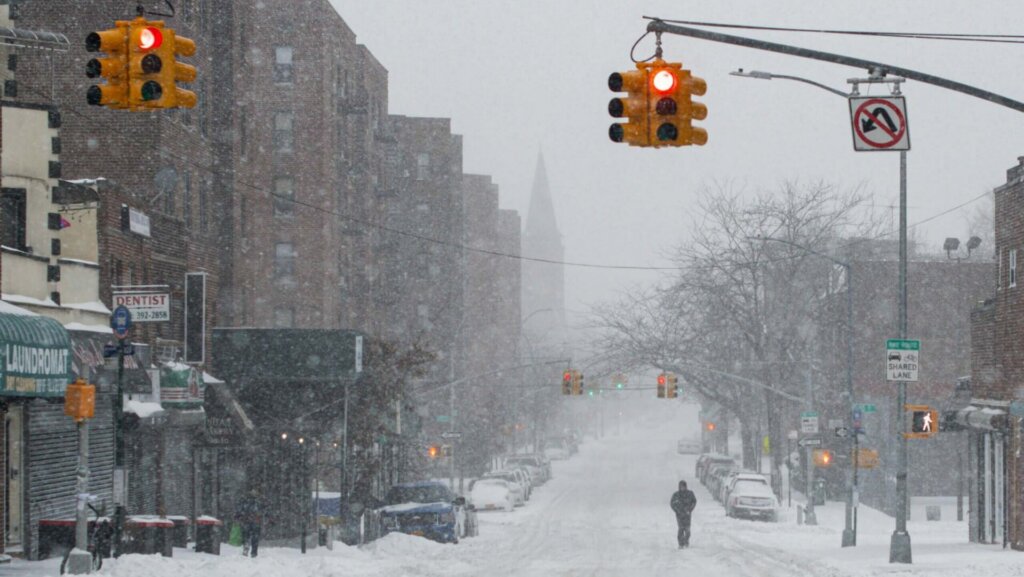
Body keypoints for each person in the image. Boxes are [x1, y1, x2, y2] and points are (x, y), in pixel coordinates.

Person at [234, 489, 263, 557]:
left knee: (246, 535)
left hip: (246, 521)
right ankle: (254, 552)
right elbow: (264, 510)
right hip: (256, 521)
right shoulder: (259, 501)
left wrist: (237, 516)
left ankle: (246, 547)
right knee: (255, 538)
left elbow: (239, 509)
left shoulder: (244, 501)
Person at [670, 480, 697, 548]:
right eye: (681, 487)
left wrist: (690, 509)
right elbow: (672, 503)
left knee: (687, 530)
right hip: (679, 515)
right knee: (681, 528)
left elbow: (694, 501)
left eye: (683, 487)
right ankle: (681, 543)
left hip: (687, 514)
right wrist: (677, 510)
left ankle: (686, 540)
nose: (682, 488)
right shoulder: (676, 495)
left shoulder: (690, 494)